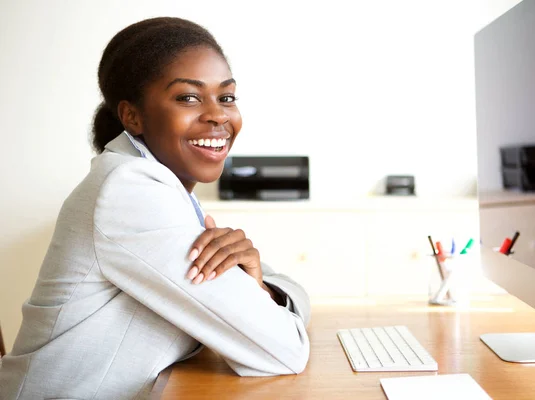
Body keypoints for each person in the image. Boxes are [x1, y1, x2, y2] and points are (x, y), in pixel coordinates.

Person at [0, 17, 311, 399]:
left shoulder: (161, 188)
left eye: (226, 97)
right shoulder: (131, 192)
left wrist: (262, 287)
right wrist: (263, 296)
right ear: (133, 116)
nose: (218, 115)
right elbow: (283, 350)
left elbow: (286, 307)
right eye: (188, 97)